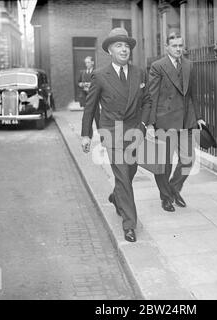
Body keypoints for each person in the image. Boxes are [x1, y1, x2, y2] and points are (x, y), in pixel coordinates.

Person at [81, 28, 151, 243]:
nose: (124, 49)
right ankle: (130, 224)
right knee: (123, 177)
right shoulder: (100, 75)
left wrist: (143, 123)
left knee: (129, 173)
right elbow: (90, 107)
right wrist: (86, 135)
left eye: (127, 46)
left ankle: (115, 197)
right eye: (119, 45)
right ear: (110, 50)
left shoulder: (139, 72)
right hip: (111, 132)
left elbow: (147, 100)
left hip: (134, 131)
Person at [148, 32, 206, 212]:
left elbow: (193, 94)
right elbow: (152, 95)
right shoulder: (158, 66)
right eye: (174, 46)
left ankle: (173, 188)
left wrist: (198, 116)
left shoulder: (189, 65)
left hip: (186, 120)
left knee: (188, 159)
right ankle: (165, 197)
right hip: (165, 121)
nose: (178, 49)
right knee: (164, 164)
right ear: (167, 47)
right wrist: (150, 123)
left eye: (181, 45)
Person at [78, 56, 99, 136]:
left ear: (92, 62)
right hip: (85, 97)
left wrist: (91, 85)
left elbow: (99, 83)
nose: (87, 64)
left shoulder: (96, 72)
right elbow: (78, 82)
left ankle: (101, 132)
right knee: (87, 116)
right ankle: (88, 134)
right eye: (86, 62)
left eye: (88, 62)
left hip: (94, 97)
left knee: (97, 116)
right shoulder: (82, 72)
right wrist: (82, 84)